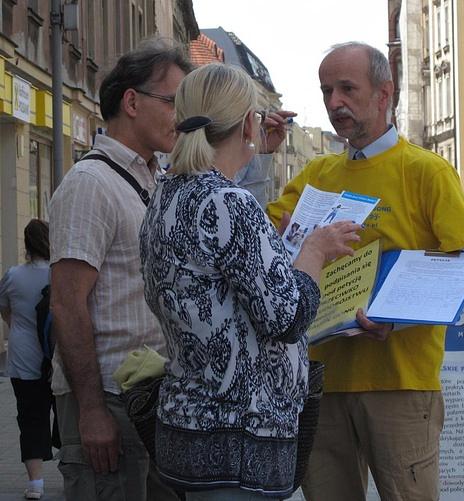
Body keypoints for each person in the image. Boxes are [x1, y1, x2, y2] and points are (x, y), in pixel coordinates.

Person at [49, 38, 294, 501]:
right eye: (174, 102)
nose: (184, 119)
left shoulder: (158, 179)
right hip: (110, 400)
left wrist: (254, 148)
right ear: (132, 102)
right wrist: (91, 410)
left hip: (151, 395)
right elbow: (66, 304)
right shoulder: (89, 183)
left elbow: (218, 203)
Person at [267, 41, 464, 501]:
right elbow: (253, 243)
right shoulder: (315, 175)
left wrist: (398, 315)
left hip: (400, 381)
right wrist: (256, 157)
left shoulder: (425, 171)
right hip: (320, 380)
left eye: (347, 88)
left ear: (385, 93)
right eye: (327, 91)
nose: (334, 103)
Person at [139, 62, 361, 500]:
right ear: (246, 123)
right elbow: (285, 318)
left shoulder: (168, 194)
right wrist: (313, 252)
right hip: (239, 441)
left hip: (189, 429)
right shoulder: (228, 203)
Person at [0, 219, 55, 500]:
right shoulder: (58, 273)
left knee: (30, 417)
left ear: (26, 244)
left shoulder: (12, 275)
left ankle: (36, 484)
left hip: (23, 356)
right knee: (65, 417)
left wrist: (20, 326)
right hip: (57, 358)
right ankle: (73, 473)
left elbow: (4, 310)